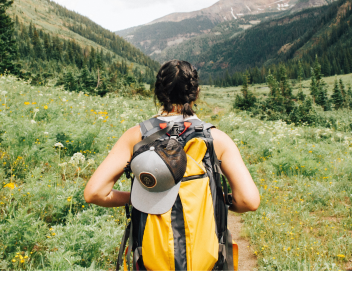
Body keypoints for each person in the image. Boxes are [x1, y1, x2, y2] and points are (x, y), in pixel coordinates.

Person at [84, 60, 260, 269]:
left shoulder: (136, 136)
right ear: (196, 92)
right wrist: (218, 199)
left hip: (152, 263)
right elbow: (249, 201)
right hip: (205, 265)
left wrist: (139, 198)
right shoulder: (216, 139)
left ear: (158, 93)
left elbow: (94, 193)